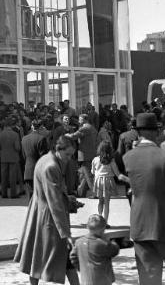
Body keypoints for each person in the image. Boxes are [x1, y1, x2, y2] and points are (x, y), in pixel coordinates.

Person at [14, 135, 80, 285]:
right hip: (50, 219)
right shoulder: (51, 166)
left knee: (37, 256)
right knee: (64, 257)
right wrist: (66, 233)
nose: (69, 158)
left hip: (39, 214)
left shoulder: (45, 159)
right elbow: (54, 201)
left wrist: (68, 200)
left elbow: (51, 192)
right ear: (58, 149)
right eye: (67, 154)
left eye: (71, 155)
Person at [123, 112, 165, 285]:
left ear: (138, 132)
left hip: (139, 224)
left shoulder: (128, 157)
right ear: (155, 132)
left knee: (149, 278)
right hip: (164, 222)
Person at [69, 213, 120, 285]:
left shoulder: (78, 242)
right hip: (103, 280)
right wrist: (112, 242)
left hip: (86, 280)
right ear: (103, 229)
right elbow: (114, 250)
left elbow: (73, 257)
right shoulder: (103, 244)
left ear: (87, 227)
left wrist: (81, 268)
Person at [91, 141, 129, 226]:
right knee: (107, 202)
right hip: (108, 181)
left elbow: (93, 172)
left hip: (98, 181)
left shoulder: (95, 159)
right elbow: (118, 175)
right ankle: (105, 222)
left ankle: (99, 219)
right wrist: (129, 180)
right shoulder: (111, 161)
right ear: (110, 150)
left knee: (100, 201)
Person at [69, 114, 98, 197]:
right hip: (89, 153)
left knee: (87, 174)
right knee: (83, 174)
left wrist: (66, 135)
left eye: (80, 119)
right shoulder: (92, 128)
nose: (78, 121)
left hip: (85, 154)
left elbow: (73, 136)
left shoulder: (85, 128)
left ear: (85, 120)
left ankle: (94, 193)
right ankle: (81, 193)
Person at [20, 119, 48, 203]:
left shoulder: (24, 138)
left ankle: (31, 212)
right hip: (39, 169)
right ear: (40, 127)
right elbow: (43, 157)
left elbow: (23, 155)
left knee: (30, 196)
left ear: (32, 127)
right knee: (40, 196)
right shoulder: (41, 138)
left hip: (28, 168)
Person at [0, 118, 21, 199]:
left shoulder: (0, 134)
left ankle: (4, 193)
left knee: (4, 176)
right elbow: (17, 147)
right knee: (12, 176)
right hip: (13, 157)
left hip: (3, 157)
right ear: (11, 125)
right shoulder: (15, 134)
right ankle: (13, 194)